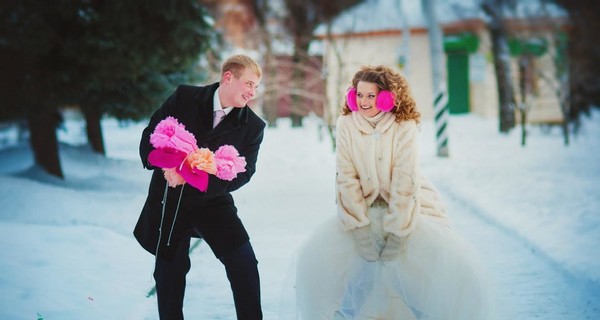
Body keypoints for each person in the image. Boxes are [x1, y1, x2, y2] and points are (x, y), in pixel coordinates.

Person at [294, 65, 496, 319]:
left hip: (408, 205)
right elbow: (346, 178)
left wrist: (399, 232)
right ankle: (344, 315)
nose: (364, 101)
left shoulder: (404, 126)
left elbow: (405, 180)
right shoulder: (346, 124)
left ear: (387, 97)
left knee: (404, 265)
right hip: (365, 207)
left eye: (371, 95)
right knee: (362, 264)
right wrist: (359, 229)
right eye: (359, 95)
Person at [134, 54, 266, 320]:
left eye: (256, 87)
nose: (253, 92)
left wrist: (198, 177)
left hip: (212, 202)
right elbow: (150, 137)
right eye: (249, 84)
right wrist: (170, 164)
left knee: (244, 265)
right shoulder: (184, 98)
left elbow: (244, 172)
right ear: (228, 77)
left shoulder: (253, 126)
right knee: (169, 273)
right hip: (171, 200)